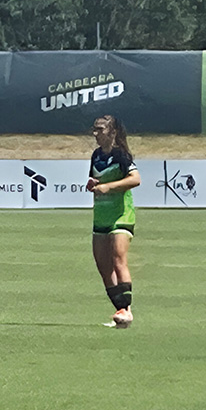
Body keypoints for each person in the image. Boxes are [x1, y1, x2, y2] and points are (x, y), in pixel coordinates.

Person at [86, 114, 141, 328]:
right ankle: (119, 309)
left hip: (121, 215)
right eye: (94, 129)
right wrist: (93, 183)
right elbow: (97, 179)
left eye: (100, 129)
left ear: (112, 132)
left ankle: (126, 309)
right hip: (101, 215)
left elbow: (135, 179)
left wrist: (109, 187)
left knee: (118, 259)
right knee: (103, 266)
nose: (95, 133)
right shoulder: (96, 155)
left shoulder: (121, 155)